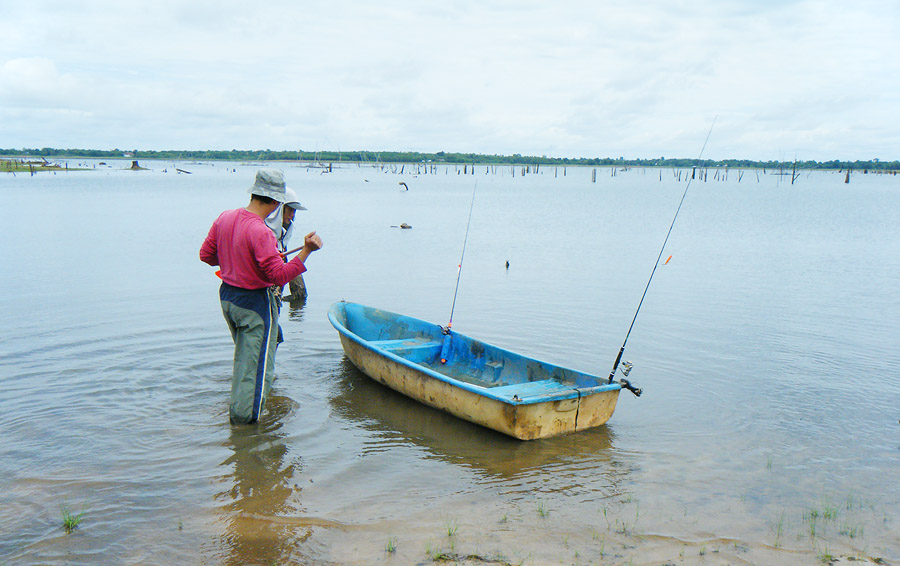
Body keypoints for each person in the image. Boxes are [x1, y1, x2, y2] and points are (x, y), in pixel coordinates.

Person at [199, 169, 323, 424]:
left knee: (245, 362)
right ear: (277, 202)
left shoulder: (225, 218)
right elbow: (278, 276)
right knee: (258, 370)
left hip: (228, 298)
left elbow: (207, 255)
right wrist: (307, 251)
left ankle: (240, 416)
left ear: (255, 192)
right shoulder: (262, 231)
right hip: (255, 304)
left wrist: (238, 259)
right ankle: (246, 432)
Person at [265, 188, 308, 302]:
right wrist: (307, 251)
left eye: (295, 211)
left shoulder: (281, 240)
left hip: (273, 299)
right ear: (279, 209)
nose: (292, 215)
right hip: (261, 299)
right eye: (289, 210)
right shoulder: (265, 235)